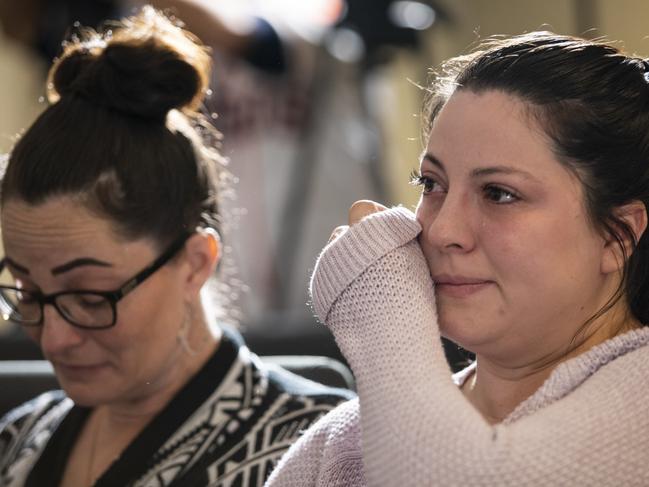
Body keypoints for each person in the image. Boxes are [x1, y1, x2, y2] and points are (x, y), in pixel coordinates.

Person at [265, 31, 649, 486]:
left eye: (499, 193)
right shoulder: (345, 441)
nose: (443, 230)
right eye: (431, 184)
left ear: (617, 236)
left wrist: (383, 308)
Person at [0, 7, 353, 487]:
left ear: (195, 262)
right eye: (28, 294)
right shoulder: (19, 438)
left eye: (89, 297)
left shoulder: (318, 451)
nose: (53, 340)